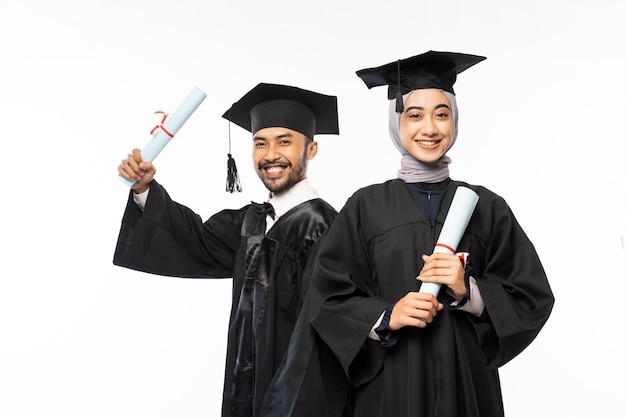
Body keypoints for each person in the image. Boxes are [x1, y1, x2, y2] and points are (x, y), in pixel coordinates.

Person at [295, 51, 554, 417]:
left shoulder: (487, 207)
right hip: (390, 392)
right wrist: (387, 315)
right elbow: (326, 298)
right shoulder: (366, 207)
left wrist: (470, 293)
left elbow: (532, 297)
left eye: (441, 114)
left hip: (467, 388)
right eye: (414, 115)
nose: (429, 128)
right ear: (395, 122)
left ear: (455, 120)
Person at [113, 82, 340, 417]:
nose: (270, 154)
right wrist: (144, 188)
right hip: (242, 392)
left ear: (311, 150)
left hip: (297, 401)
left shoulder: (327, 227)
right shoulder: (249, 222)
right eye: (260, 143)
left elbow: (328, 331)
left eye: (284, 142)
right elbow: (196, 243)